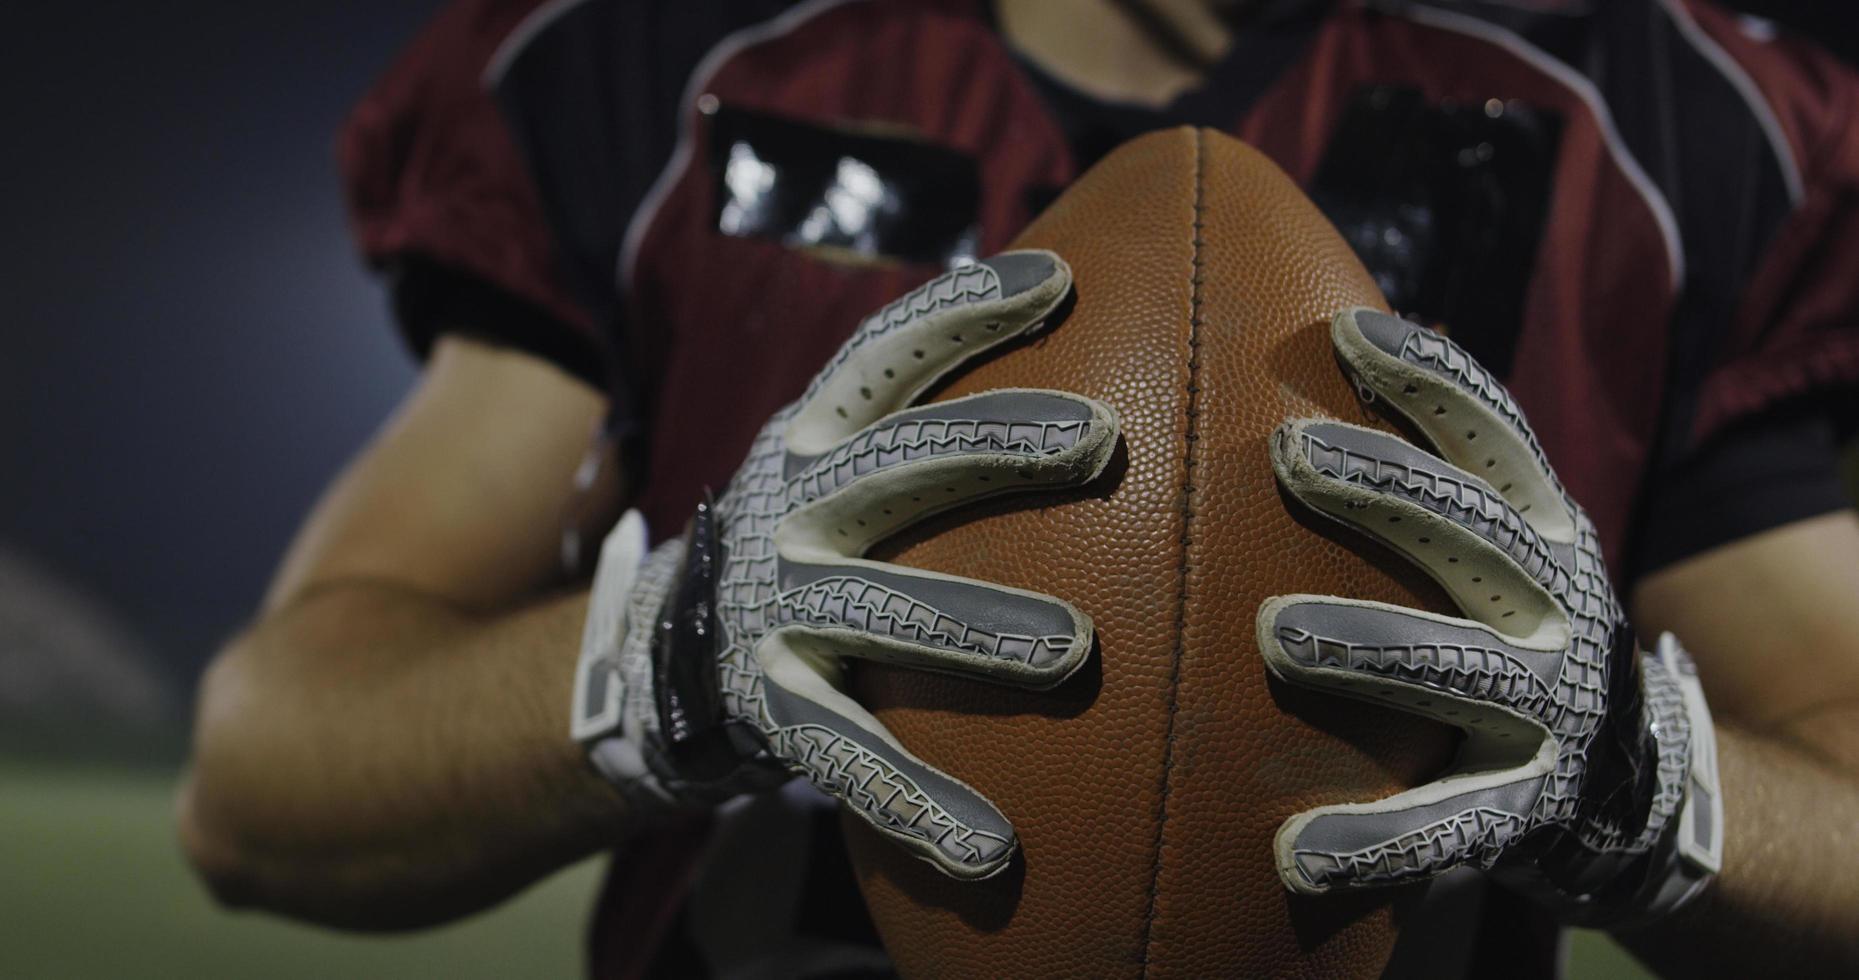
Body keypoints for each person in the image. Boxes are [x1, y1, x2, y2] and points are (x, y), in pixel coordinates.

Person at [177, 0, 1859, 976]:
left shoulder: (1658, 111)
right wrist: (667, 660)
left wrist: (1646, 779)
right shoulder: (664, 53)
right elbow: (261, 781)